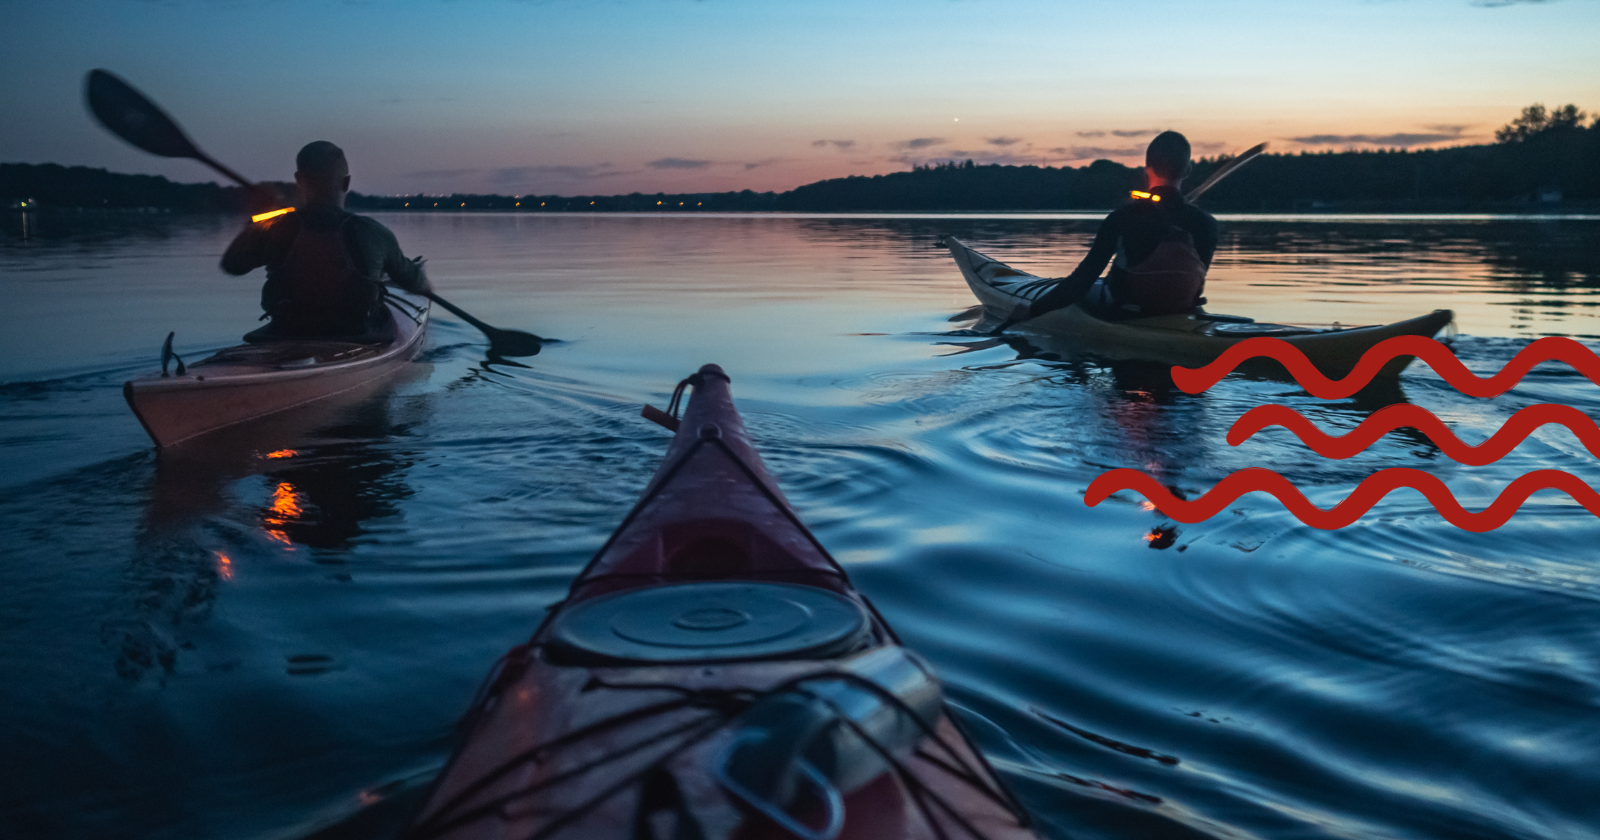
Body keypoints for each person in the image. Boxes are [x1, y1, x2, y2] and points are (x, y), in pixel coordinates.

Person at [222, 141, 432, 341]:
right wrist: (424, 286)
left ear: (299, 179)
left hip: (286, 331)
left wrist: (256, 224)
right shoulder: (374, 232)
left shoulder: (274, 229)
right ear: (346, 182)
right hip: (355, 335)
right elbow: (415, 282)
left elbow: (232, 265)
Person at [1019, 131, 1218, 321]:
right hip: (1182, 310)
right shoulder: (1207, 223)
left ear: (1147, 167)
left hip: (1126, 311)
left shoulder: (1122, 218)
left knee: (1087, 286)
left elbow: (1082, 280)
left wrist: (1032, 311)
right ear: (1188, 170)